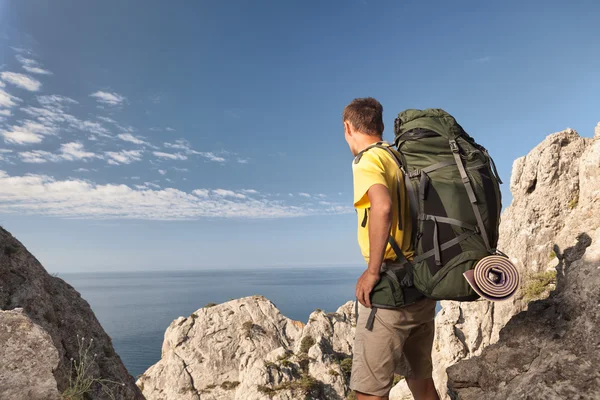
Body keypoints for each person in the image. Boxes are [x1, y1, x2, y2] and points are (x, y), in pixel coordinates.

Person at [343, 97, 440, 400]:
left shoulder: (367, 160)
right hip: (422, 287)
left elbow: (382, 207)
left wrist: (372, 272)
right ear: (380, 126)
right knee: (422, 384)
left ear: (348, 127)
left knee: (369, 392)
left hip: (391, 293)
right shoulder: (401, 158)